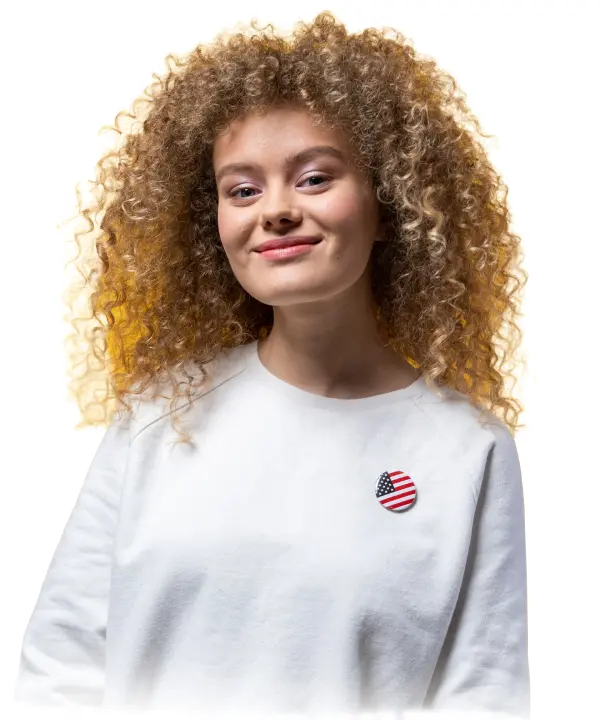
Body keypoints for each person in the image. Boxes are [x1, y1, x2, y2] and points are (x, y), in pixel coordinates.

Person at [14, 11, 530, 718]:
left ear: (388, 205)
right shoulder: (160, 415)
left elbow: (484, 697)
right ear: (214, 224)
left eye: (315, 178)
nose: (277, 211)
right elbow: (61, 668)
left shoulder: (467, 449)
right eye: (243, 189)